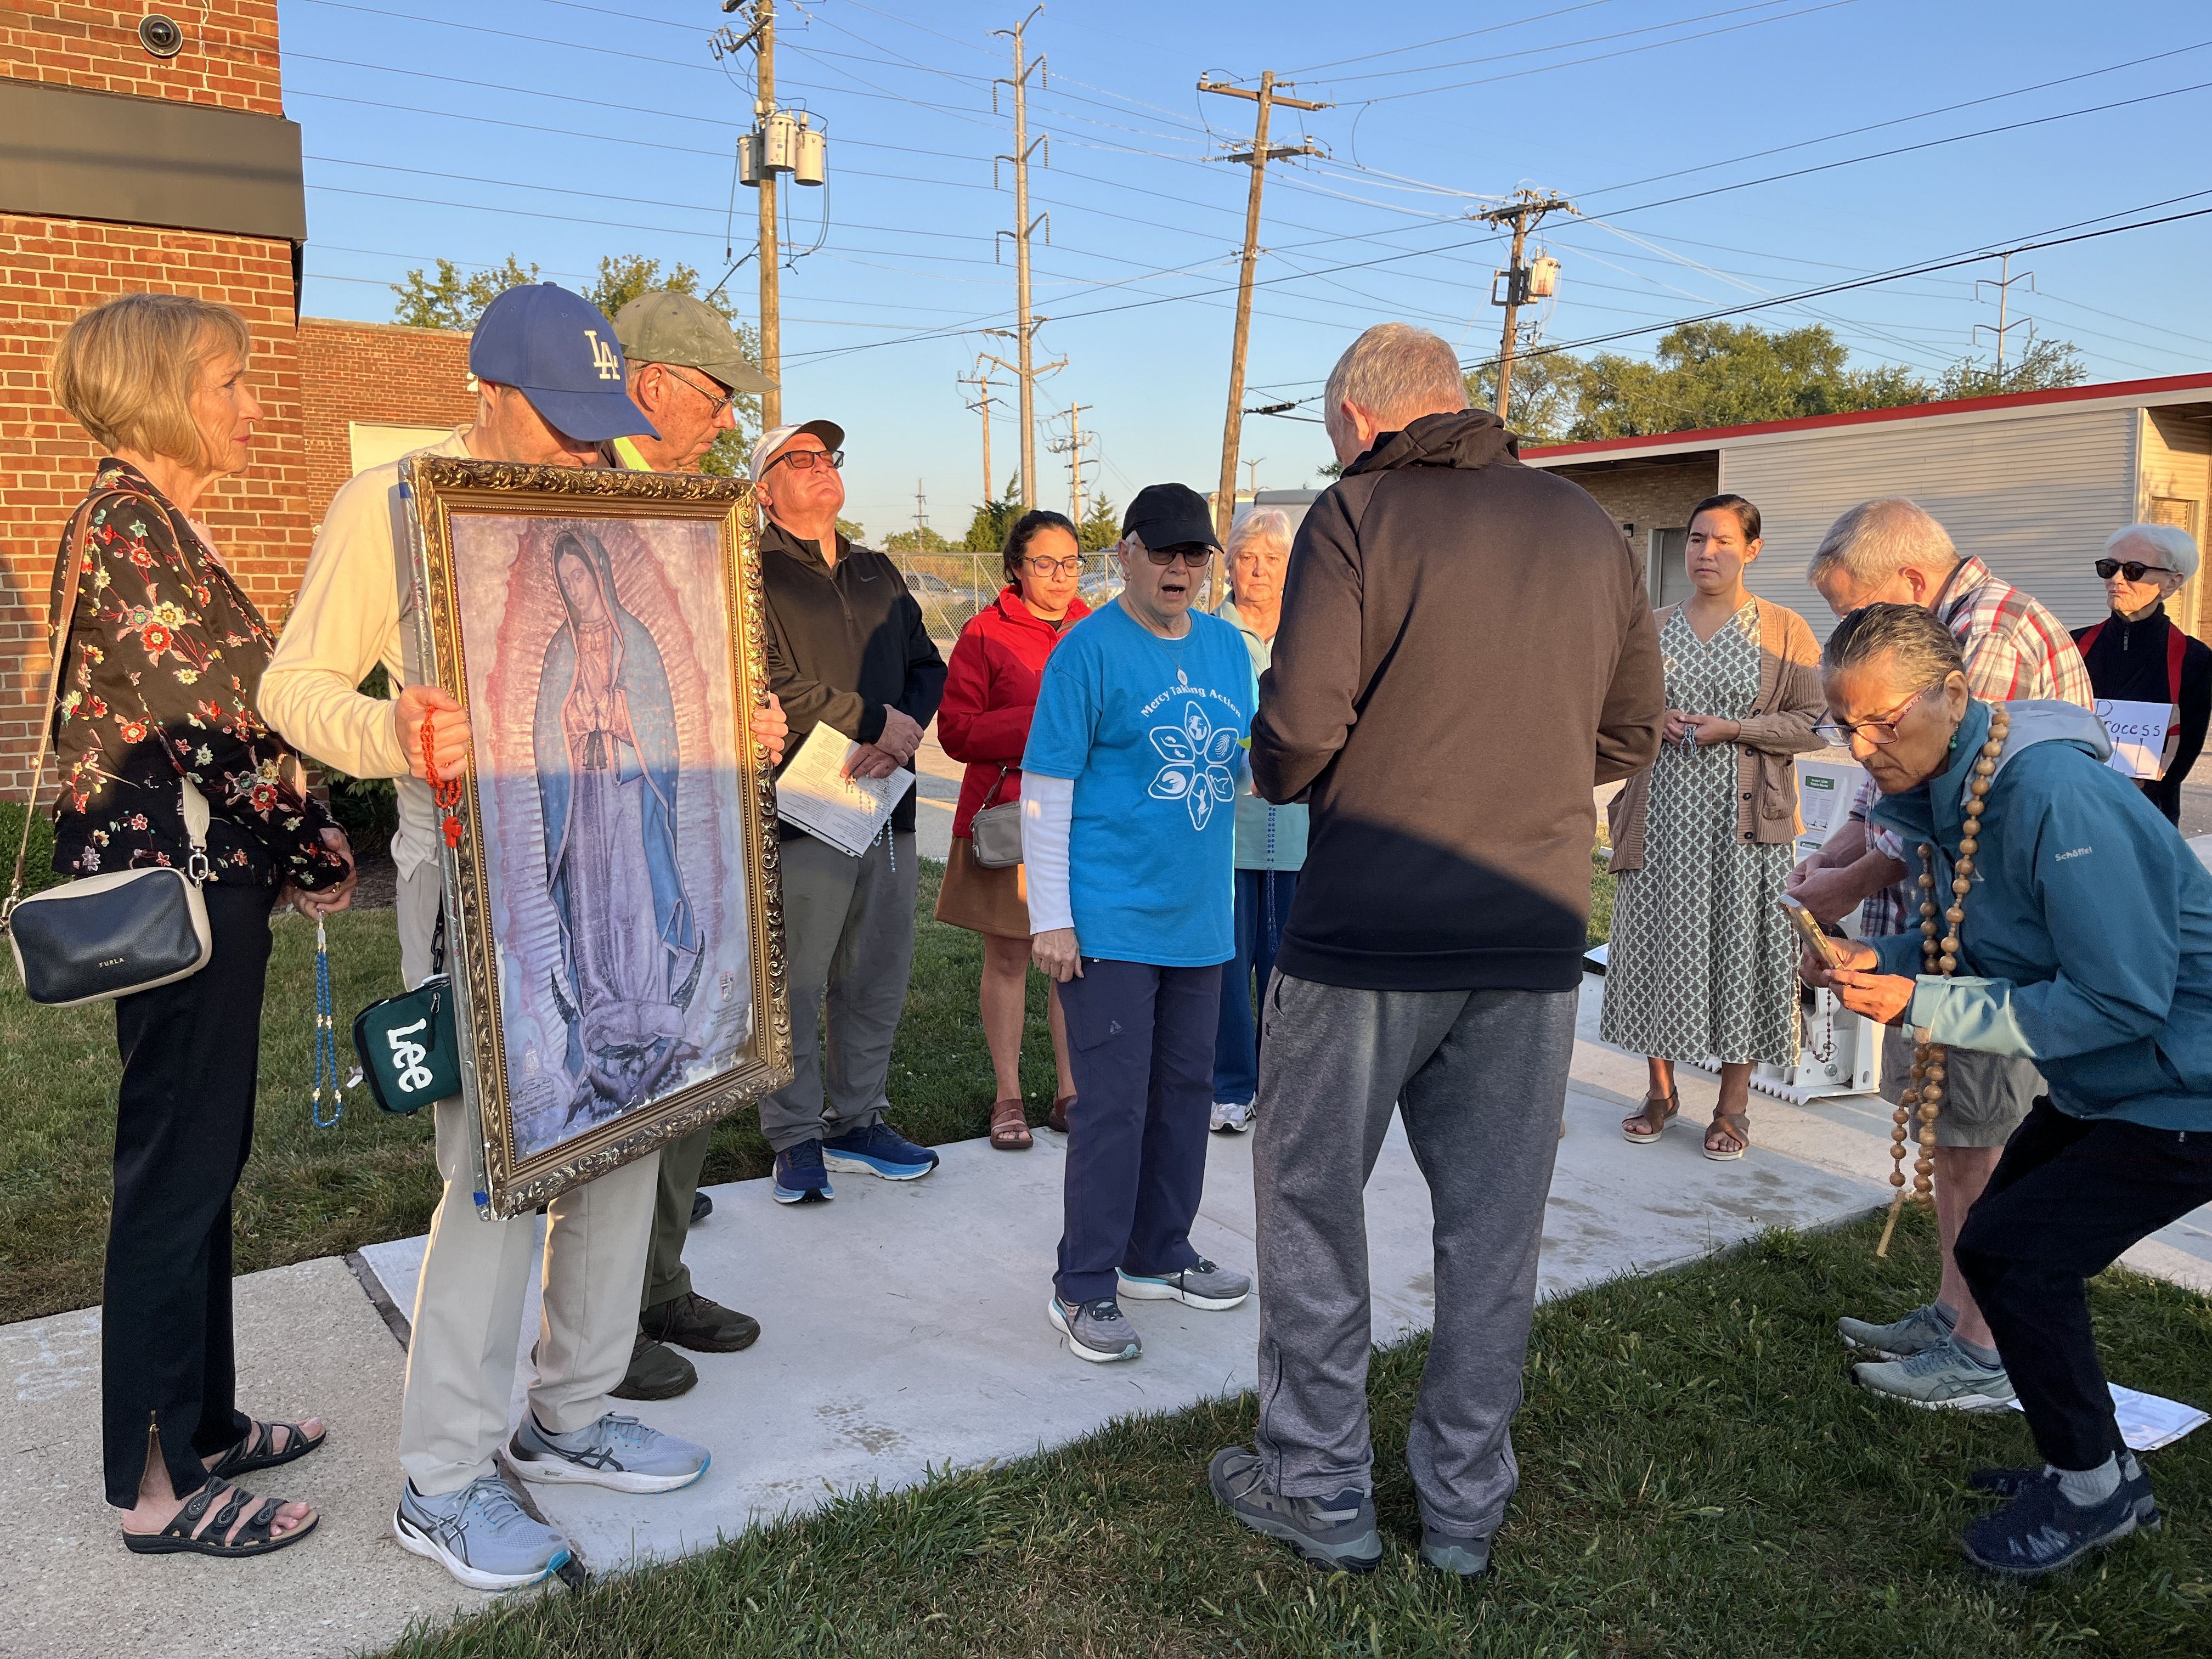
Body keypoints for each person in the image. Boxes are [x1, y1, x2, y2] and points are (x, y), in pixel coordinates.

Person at [262, 283, 776, 1590]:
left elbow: (673, 675)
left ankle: (575, 1413)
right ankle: (441, 1483)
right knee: (500, 1181)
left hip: (625, 862)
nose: (575, 448)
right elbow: (291, 682)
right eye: (555, 419)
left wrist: (736, 728)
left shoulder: (618, 507)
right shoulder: (393, 510)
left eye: (593, 420)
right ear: (485, 388)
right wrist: (396, 734)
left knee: (621, 1133)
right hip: (483, 895)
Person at [1211, 322, 1664, 1578]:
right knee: (1493, 1228)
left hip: (1366, 928)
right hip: (1529, 926)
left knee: (1311, 1206)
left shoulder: (1358, 513)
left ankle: (1320, 1484)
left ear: (1357, 423)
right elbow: (1633, 727)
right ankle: (1463, 1508)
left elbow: (1300, 728)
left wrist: (1281, 766)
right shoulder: (1589, 526)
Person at [42, 294, 358, 1560]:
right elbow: (215, 729)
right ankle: (158, 1488)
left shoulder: (157, 523)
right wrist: (315, 845)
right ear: (166, 389)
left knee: (204, 1163)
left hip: (211, 884)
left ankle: (209, 1422)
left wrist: (281, 849)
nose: (249, 406)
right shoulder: (127, 524)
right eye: (227, 384)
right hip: (182, 892)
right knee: (175, 1172)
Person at [1808, 602, 2212, 1577]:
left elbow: (2119, 995)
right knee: (1999, 1246)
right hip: (2110, 1075)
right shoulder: (1957, 783)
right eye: (1844, 724)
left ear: (1954, 693)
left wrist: (1918, 998)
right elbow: (1988, 946)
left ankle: (2092, 1489)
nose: (1864, 747)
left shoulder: (2051, 796)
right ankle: (2097, 1461)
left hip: (2180, 1085)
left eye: (1883, 720)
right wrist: (1883, 956)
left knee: (2021, 1257)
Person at [1785, 498, 2092, 1414]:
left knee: (1979, 1139)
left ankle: (1985, 1344)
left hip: (1991, 941)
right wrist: (1833, 857)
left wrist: (1843, 883)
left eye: (1854, 608)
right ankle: (1957, 1309)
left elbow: (1949, 796)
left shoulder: (1983, 637)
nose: (1850, 631)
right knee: (1951, 1136)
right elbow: (1883, 788)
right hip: (1946, 931)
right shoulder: (1940, 634)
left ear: (1912, 583)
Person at [1023, 483, 1257, 1365]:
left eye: (1196, 554)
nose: (1181, 568)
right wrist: (1053, 917)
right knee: (1113, 1108)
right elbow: (1048, 788)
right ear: (1124, 552)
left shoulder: (1230, 649)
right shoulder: (1087, 652)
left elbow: (1237, 766)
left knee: (1187, 1097)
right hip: (1110, 920)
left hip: (1200, 920)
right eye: (1163, 551)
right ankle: (1082, 1286)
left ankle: (1158, 1253)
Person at [604, 289, 782, 1401]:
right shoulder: (572, 486)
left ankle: (659, 1276)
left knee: (697, 1067)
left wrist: (752, 714)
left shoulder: (709, 507)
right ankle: (597, 1322)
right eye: (715, 401)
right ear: (652, 382)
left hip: (710, 813)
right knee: (622, 1077)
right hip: (617, 824)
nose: (725, 425)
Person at [752, 420, 947, 1203]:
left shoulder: (877, 570)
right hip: (803, 803)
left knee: (875, 970)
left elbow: (926, 666)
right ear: (765, 488)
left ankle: (859, 1118)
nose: (821, 468)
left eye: (828, 456)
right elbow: (767, 681)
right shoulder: (751, 571)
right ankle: (795, 1134)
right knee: (796, 978)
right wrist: (873, 720)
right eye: (798, 459)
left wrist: (902, 733)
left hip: (884, 798)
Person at [1601, 494, 1825, 1159]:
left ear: (1752, 550)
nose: (1705, 553)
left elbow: (1814, 722)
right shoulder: (1651, 625)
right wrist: (1653, 723)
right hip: (1662, 820)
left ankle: (1733, 1107)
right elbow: (1615, 710)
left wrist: (1738, 729)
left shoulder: (1783, 632)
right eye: (1697, 539)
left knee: (1743, 956)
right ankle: (1660, 1091)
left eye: (1722, 541)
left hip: (1746, 831)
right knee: (1660, 948)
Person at [934, 508, 1088, 1150]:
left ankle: (1070, 1091)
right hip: (1011, 817)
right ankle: (1007, 1096)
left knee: (1071, 961)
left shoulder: (1097, 629)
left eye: (1072, 562)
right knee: (1009, 956)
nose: (1060, 575)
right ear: (1016, 569)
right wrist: (1041, 724)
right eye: (1044, 563)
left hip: (1085, 822)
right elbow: (956, 732)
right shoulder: (983, 633)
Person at [1210, 507, 1307, 1135]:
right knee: (1228, 959)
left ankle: (1283, 1084)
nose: (1260, 570)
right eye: (1249, 557)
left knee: (1287, 962)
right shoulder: (1207, 631)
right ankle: (1230, 1084)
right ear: (1231, 565)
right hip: (1223, 822)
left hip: (1294, 822)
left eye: (1273, 558)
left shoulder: (1309, 628)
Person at [2071, 523, 2211, 826]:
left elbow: (2185, 750)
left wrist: (2139, 784)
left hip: (2146, 815)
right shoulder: (2073, 644)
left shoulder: (2193, 659)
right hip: (2072, 804)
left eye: (2134, 570)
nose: (2116, 579)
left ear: (2172, 583)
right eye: (2108, 568)